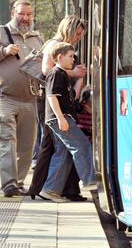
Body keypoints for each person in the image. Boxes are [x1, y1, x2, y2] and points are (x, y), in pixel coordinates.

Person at [0, 0, 43, 197]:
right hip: (4, 97)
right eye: (22, 13)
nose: (25, 18)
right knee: (6, 140)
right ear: (14, 12)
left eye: (29, 14)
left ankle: (19, 182)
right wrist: (4, 51)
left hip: (30, 99)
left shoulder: (37, 37)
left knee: (27, 145)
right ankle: (8, 184)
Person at [28, 15, 88, 201]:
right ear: (68, 29)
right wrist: (75, 72)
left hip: (64, 102)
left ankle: (61, 188)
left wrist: (78, 81)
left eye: (81, 35)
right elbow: (47, 71)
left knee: (60, 147)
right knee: (52, 146)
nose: (79, 37)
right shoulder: (54, 45)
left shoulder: (69, 49)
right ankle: (45, 187)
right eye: (77, 33)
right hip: (52, 103)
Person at [39, 42, 96, 203]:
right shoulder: (57, 73)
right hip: (61, 118)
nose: (73, 60)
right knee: (82, 145)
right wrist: (61, 118)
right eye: (70, 56)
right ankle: (89, 180)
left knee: (63, 153)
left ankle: (50, 189)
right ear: (59, 57)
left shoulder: (61, 73)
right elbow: (51, 96)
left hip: (59, 118)